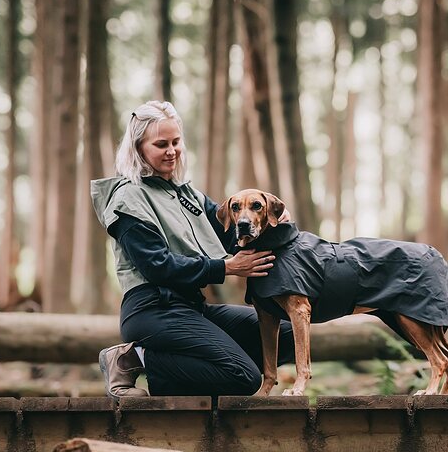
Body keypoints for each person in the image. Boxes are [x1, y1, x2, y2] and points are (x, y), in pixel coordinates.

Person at [90, 100, 295, 397]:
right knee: (244, 377)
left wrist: (275, 220)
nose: (171, 151)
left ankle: (178, 381)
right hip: (153, 310)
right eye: (161, 144)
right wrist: (225, 268)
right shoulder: (128, 200)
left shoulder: (188, 195)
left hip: (192, 308)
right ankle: (135, 358)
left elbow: (231, 234)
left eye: (176, 142)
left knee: (283, 335)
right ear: (138, 148)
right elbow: (156, 266)